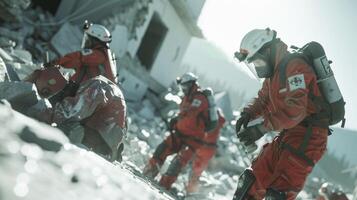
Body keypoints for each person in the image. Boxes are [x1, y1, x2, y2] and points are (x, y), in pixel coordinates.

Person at [232, 28, 338, 200]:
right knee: (251, 180)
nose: (257, 68)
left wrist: (261, 128)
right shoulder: (273, 75)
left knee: (278, 193)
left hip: (309, 135)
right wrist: (247, 114)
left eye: (257, 62)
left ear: (267, 51)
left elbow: (295, 110)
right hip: (289, 132)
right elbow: (263, 100)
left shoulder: (295, 66)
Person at [142, 72, 225, 193]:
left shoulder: (200, 97)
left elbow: (191, 113)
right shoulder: (187, 97)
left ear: (192, 84)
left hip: (193, 140)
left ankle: (163, 187)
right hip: (179, 134)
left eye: (185, 86)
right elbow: (184, 113)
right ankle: (148, 174)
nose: (183, 89)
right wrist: (176, 120)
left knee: (177, 163)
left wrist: (177, 118)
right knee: (161, 149)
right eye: (182, 87)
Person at [25, 66, 126, 161]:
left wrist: (36, 113)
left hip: (100, 147)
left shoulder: (97, 85)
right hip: (99, 143)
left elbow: (70, 112)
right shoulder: (92, 86)